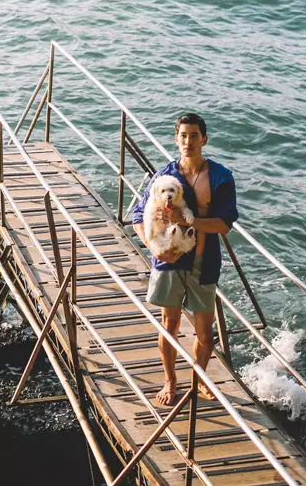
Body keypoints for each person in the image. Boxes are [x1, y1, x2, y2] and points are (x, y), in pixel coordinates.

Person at [132, 113, 238, 405]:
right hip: (170, 260)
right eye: (183, 135)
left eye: (194, 135)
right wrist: (153, 248)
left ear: (204, 139)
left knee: (206, 333)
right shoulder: (165, 177)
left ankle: (198, 380)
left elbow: (224, 224)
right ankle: (170, 380)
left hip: (204, 262)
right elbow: (139, 216)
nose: (188, 141)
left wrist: (188, 221)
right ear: (176, 139)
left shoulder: (219, 177)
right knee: (169, 324)